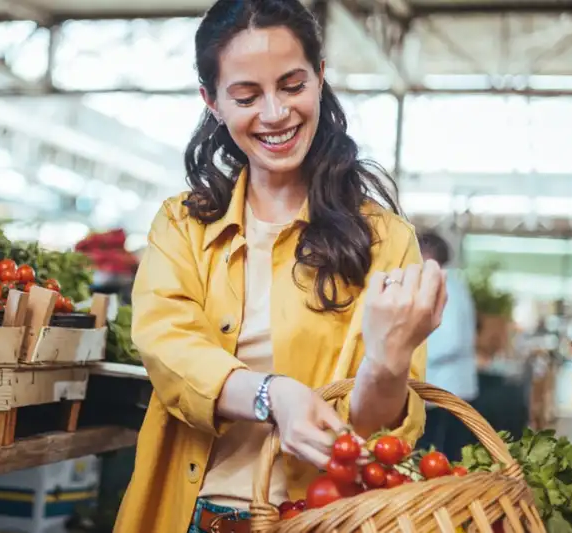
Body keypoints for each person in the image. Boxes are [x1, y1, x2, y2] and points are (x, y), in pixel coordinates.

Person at [113, 1, 448, 531]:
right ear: (213, 102)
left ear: (319, 77)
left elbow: (374, 434)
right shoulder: (181, 226)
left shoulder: (385, 240)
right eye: (247, 96)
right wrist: (272, 395)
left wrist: (388, 360)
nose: (274, 114)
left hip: (320, 518)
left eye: (292, 86)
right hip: (195, 516)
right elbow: (167, 346)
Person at [413, 232, 478, 462]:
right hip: (444, 386)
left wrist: (411, 352)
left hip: (445, 387)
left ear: (429, 255)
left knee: (437, 455)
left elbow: (451, 340)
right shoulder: (450, 284)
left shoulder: (448, 286)